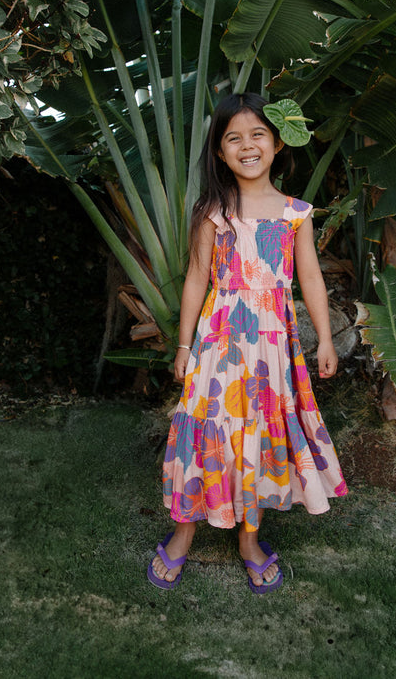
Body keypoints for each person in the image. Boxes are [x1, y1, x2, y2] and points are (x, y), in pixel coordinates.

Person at [147, 93, 347, 594]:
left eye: (257, 134)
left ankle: (249, 542)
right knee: (206, 427)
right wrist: (184, 346)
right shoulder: (213, 211)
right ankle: (183, 534)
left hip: (273, 351)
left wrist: (324, 338)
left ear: (277, 143)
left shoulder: (296, 213)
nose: (247, 145)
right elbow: (196, 278)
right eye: (233, 137)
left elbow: (311, 281)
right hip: (218, 345)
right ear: (219, 152)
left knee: (259, 436)